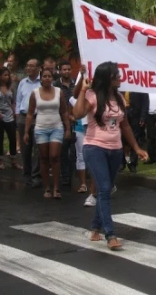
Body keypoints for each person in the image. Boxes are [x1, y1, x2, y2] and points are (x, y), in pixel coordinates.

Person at [73, 61, 148, 250]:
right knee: (105, 189)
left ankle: (95, 226)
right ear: (108, 78)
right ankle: (111, 234)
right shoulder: (92, 96)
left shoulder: (120, 98)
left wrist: (136, 148)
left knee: (105, 190)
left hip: (115, 149)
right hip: (94, 147)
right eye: (116, 75)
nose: (120, 78)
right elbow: (77, 113)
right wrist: (82, 90)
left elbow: (125, 126)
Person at [24, 68, 71, 199]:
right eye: (44, 76)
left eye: (49, 76)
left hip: (56, 127)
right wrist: (26, 132)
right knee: (44, 157)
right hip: (40, 128)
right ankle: (47, 188)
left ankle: (56, 188)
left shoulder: (58, 92)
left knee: (55, 156)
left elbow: (64, 112)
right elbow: (29, 114)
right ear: (41, 78)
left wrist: (67, 128)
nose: (47, 79)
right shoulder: (35, 93)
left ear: (52, 78)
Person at [16, 59, 43, 186]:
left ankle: (36, 175)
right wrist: (17, 116)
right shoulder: (22, 82)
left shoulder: (42, 82)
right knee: (25, 147)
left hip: (38, 117)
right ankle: (26, 174)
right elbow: (18, 100)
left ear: (38, 68)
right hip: (23, 117)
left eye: (32, 66)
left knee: (38, 148)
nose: (29, 68)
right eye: (27, 66)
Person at [0, 67, 20, 170]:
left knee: (12, 138)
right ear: (0, 76)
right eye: (5, 75)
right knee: (0, 138)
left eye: (8, 75)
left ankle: (13, 160)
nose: (7, 77)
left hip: (9, 115)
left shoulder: (11, 88)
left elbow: (13, 102)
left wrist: (15, 112)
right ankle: (1, 161)